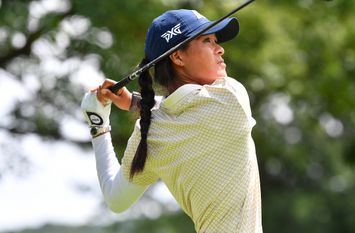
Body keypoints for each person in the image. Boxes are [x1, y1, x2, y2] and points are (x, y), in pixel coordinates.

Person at [81, 9, 262, 233]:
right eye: (207, 40)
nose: (220, 48)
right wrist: (135, 103)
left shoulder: (150, 131)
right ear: (177, 57)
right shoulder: (232, 96)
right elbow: (189, 108)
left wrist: (98, 124)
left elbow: (116, 200)